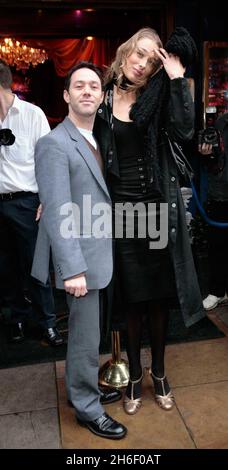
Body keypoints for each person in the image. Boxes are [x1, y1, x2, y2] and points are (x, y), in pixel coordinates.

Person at [93, 27, 204, 415]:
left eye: (151, 60)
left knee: (157, 301)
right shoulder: (103, 97)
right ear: (126, 52)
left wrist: (175, 78)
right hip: (120, 213)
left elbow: (186, 130)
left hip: (156, 210)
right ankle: (135, 375)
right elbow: (85, 151)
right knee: (132, 302)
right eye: (139, 54)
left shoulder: (156, 98)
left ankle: (159, 372)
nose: (142, 64)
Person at [31, 62, 127, 440]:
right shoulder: (54, 143)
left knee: (89, 335)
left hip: (100, 253)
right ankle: (88, 408)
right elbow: (55, 210)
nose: (87, 91)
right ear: (67, 95)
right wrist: (71, 269)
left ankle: (82, 388)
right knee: (86, 338)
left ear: (101, 97)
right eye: (79, 86)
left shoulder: (97, 136)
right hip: (80, 261)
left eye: (93, 86)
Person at [0, 59, 63, 346]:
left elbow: (49, 160)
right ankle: (18, 319)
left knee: (36, 267)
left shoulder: (31, 114)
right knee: (5, 266)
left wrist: (47, 198)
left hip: (27, 202)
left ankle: (47, 322)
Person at [199, 112, 228, 310]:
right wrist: (206, 154)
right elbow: (214, 163)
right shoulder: (220, 122)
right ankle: (218, 291)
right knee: (218, 245)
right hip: (221, 193)